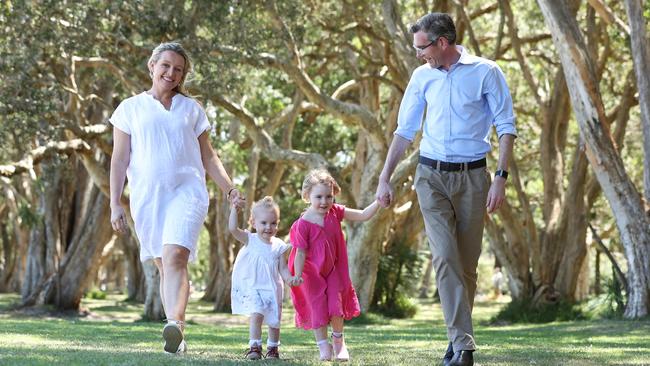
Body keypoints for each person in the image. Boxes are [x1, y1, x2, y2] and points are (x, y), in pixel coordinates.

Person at [375, 13, 516, 366]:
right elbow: (405, 131)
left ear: (442, 43)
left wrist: (500, 176)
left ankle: (457, 341)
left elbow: (506, 125)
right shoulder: (422, 77)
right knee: (443, 257)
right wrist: (384, 176)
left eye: (421, 47)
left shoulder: (486, 71)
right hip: (431, 175)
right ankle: (464, 346)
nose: (417, 55)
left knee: (466, 267)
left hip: (473, 177)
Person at [109, 42, 244, 354]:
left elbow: (209, 156)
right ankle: (178, 331)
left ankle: (176, 327)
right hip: (147, 197)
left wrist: (229, 189)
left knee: (175, 258)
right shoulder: (129, 109)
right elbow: (118, 160)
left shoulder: (191, 109)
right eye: (166, 65)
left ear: (183, 75)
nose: (171, 73)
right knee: (165, 265)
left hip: (188, 191)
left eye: (178, 69)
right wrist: (115, 202)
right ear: (152, 65)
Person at [288, 169, 380, 362]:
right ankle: (323, 346)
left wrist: (379, 202)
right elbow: (300, 253)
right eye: (318, 196)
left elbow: (363, 215)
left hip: (333, 269)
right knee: (317, 308)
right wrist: (297, 275)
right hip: (309, 272)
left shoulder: (335, 213)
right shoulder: (302, 224)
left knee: (335, 305)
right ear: (307, 196)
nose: (324, 201)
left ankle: (339, 344)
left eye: (329, 196)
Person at [228, 196, 296, 360]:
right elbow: (232, 229)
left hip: (273, 288)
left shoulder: (279, 245)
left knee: (274, 321)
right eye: (264, 223)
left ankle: (273, 348)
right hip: (254, 287)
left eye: (273, 223)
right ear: (253, 222)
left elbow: (283, 268)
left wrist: (290, 279)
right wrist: (234, 211)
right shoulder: (250, 239)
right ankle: (255, 347)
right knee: (256, 315)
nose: (269, 227)